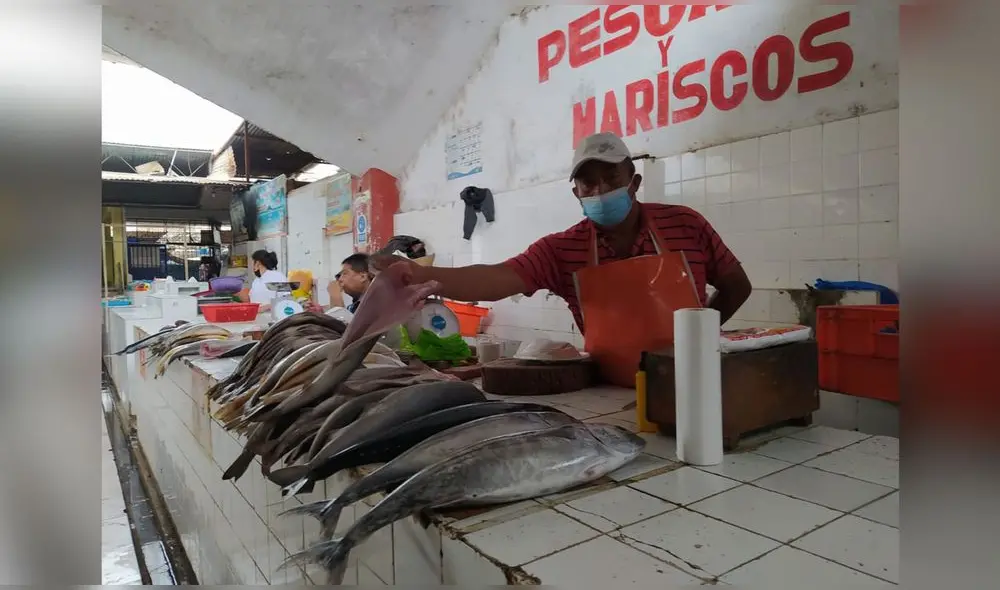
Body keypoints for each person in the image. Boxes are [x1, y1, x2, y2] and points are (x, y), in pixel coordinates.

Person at [374, 131, 752, 385]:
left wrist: (698, 337)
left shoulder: (684, 223)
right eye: (589, 182)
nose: (600, 189)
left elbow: (737, 285)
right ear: (576, 192)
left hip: (692, 381)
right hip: (607, 387)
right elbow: (495, 279)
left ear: (634, 182)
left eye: (611, 178)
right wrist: (417, 274)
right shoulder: (560, 250)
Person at [303, 253, 374, 314]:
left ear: (363, 277)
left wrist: (335, 296)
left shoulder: (373, 303)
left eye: (345, 274)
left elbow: (343, 327)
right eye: (340, 275)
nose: (340, 280)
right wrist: (320, 314)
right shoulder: (356, 304)